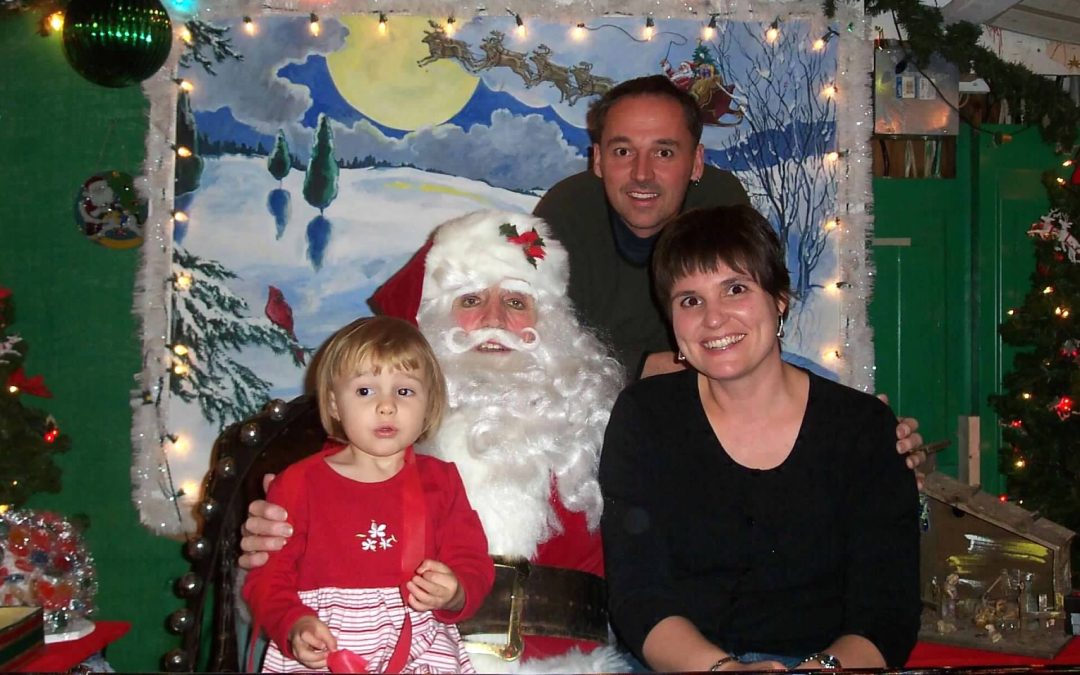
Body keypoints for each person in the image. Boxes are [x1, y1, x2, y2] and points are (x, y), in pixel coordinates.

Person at [243, 211, 628, 673]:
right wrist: (271, 535)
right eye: (470, 299)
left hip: (565, 662)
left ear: (553, 323)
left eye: (516, 301)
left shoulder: (604, 427)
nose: (493, 320)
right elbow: (288, 563)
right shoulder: (369, 445)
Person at [533, 73, 925, 461]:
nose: (642, 173)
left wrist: (863, 434)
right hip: (585, 415)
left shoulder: (720, 207)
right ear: (598, 160)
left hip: (707, 404)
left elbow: (750, 346)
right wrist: (647, 365)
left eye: (664, 152)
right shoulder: (562, 218)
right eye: (623, 151)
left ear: (696, 162)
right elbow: (538, 346)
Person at [599, 205, 921, 672]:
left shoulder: (861, 428)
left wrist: (816, 670)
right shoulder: (644, 417)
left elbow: (887, 612)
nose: (713, 319)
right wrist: (724, 671)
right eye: (690, 300)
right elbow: (638, 597)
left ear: (779, 299)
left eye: (736, 289)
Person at [241, 316, 494, 673]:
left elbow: (472, 560)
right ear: (334, 404)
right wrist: (293, 623)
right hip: (323, 648)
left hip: (419, 648)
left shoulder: (442, 480)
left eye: (404, 391)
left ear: (429, 403)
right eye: (365, 391)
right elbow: (268, 579)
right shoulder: (298, 483)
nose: (386, 406)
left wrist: (456, 592)